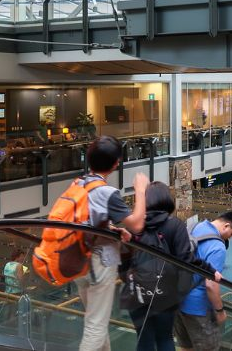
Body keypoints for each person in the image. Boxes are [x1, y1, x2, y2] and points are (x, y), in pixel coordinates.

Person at [125, 182, 224, 351]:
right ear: (166, 199)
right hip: (163, 292)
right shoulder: (174, 225)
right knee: (164, 338)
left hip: (137, 292)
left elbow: (125, 258)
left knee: (144, 339)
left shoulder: (136, 225)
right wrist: (210, 270)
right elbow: (186, 258)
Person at [77, 136, 147, 351]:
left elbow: (86, 221)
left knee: (95, 319)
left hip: (78, 260)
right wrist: (141, 191)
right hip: (99, 263)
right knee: (95, 326)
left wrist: (111, 230)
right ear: (116, 163)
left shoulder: (79, 184)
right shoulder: (106, 192)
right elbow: (137, 225)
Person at [174, 210, 232, 351]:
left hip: (177, 300)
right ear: (226, 226)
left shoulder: (195, 227)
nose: (229, 239)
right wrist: (220, 311)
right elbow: (211, 285)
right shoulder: (217, 247)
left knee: (186, 347)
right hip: (197, 308)